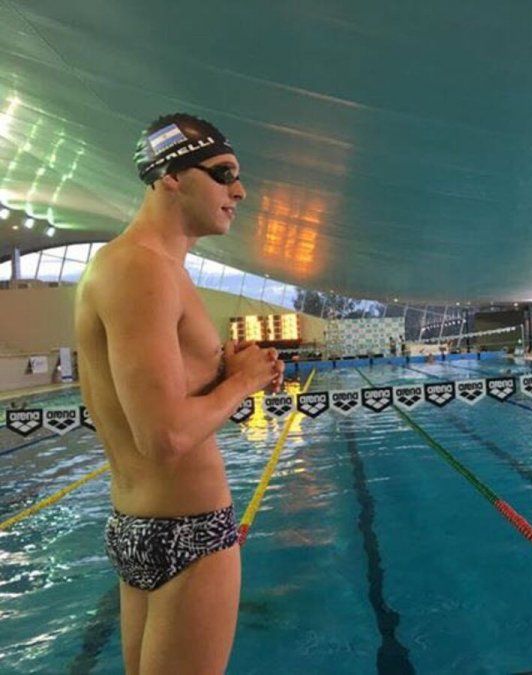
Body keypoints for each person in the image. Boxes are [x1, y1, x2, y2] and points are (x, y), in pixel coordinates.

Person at [75, 113, 284, 674]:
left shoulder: (145, 267)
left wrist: (224, 377)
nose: (239, 191)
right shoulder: (142, 268)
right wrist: (243, 382)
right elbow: (164, 436)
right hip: (188, 532)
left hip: (137, 526)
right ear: (171, 176)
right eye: (223, 174)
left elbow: (159, 406)